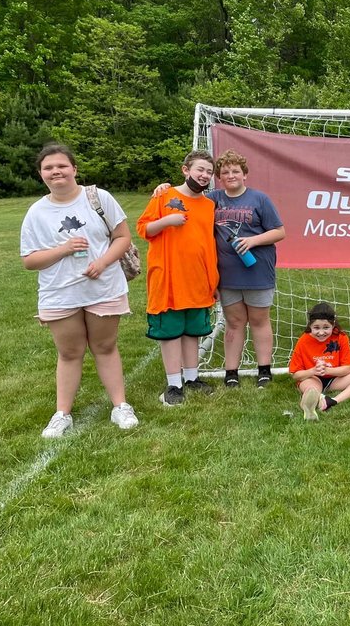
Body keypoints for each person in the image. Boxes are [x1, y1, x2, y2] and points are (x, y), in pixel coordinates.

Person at [20, 143, 139, 438]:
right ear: (40, 174)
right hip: (60, 293)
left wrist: (102, 263)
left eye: (62, 165)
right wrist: (63, 249)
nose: (56, 171)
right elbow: (29, 261)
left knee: (105, 347)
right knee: (69, 352)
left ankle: (121, 406)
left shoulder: (99, 198)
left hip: (104, 287)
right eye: (48, 167)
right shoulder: (36, 212)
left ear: (74, 169)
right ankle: (62, 414)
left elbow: (122, 237)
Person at [137, 150, 220, 406]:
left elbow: (207, 244)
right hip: (169, 277)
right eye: (200, 169)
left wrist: (213, 279)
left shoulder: (209, 205)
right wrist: (167, 221)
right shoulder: (164, 195)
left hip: (198, 278)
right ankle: (174, 383)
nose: (204, 175)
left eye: (209, 172)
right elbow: (143, 229)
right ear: (186, 170)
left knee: (193, 331)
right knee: (171, 332)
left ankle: (192, 378)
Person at [211, 150, 285, 389]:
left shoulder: (259, 199)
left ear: (245, 174)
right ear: (219, 177)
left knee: (259, 320)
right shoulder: (212, 199)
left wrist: (253, 240)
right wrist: (164, 189)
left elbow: (279, 231)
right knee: (234, 322)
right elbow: (186, 201)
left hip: (257, 271)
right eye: (225, 172)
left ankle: (264, 369)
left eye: (235, 171)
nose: (230, 175)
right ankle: (231, 371)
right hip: (227, 274)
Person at [288, 302, 350, 421]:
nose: (321, 332)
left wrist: (327, 370)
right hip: (312, 378)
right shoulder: (303, 341)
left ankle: (332, 401)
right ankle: (312, 401)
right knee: (311, 388)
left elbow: (346, 369)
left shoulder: (341, 337)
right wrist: (313, 371)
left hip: (335, 379)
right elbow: (296, 375)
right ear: (310, 326)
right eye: (316, 328)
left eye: (326, 327)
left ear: (333, 325)